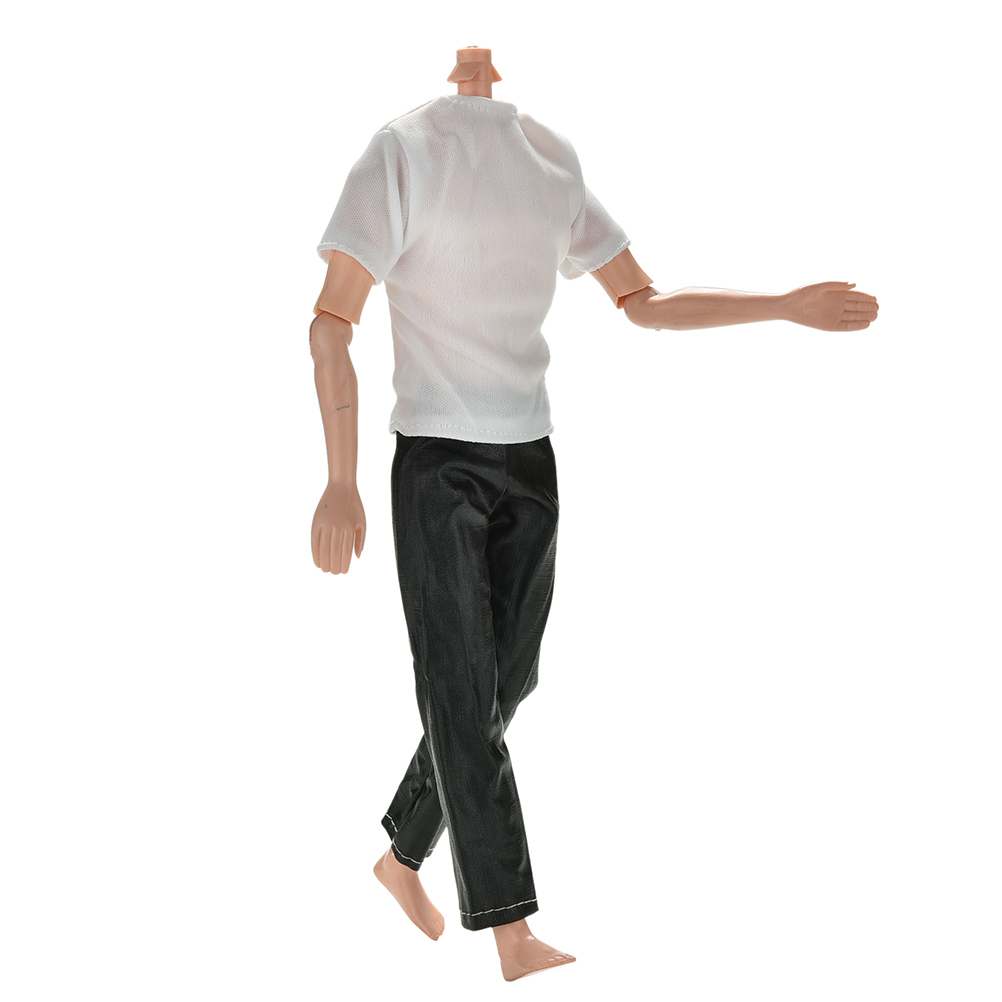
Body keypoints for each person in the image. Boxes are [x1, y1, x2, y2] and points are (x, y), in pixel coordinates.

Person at [309, 45, 878, 982]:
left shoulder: (549, 157)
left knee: (504, 683)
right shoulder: (400, 152)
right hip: (438, 461)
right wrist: (341, 479)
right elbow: (333, 320)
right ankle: (512, 931)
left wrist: (783, 304)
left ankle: (402, 854)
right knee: (461, 690)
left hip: (530, 459)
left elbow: (642, 300)